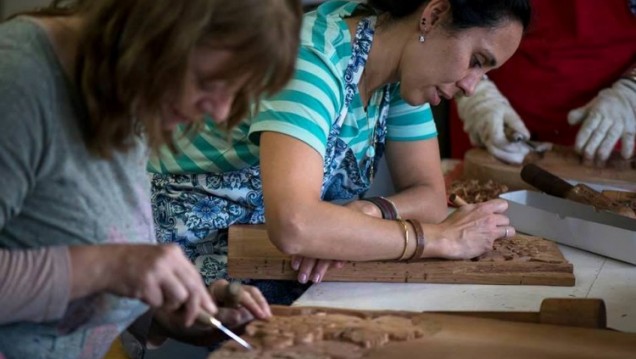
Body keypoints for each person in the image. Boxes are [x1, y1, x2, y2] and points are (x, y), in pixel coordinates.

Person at [149, 0, 531, 303]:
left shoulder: (403, 76)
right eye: (476, 61)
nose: (470, 86)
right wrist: (438, 240)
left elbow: (430, 196)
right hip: (184, 285)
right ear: (433, 15)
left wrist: (367, 212)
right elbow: (297, 225)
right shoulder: (314, 60)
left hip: (280, 274)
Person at [0, 0, 302, 358]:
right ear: (159, 27)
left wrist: (170, 314)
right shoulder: (18, 77)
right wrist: (116, 265)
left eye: (234, 93)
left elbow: (74, 260)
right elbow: (100, 262)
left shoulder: (124, 89)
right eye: (209, 82)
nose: (220, 111)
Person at [452, 0, 636, 165]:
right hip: (488, 107)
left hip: (607, 121)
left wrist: (631, 90)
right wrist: (475, 90)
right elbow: (445, 16)